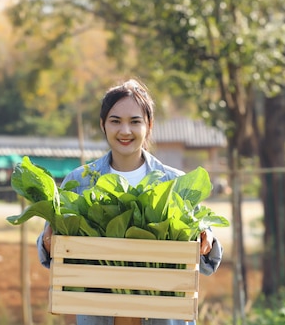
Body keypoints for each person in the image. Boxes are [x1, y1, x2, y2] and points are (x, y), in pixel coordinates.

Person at [36, 78, 223, 325]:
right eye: (115, 121)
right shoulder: (79, 181)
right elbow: (52, 254)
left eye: (135, 122)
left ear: (149, 125)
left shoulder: (175, 183)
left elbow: (207, 263)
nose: (125, 131)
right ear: (103, 125)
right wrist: (50, 239)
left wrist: (206, 238)